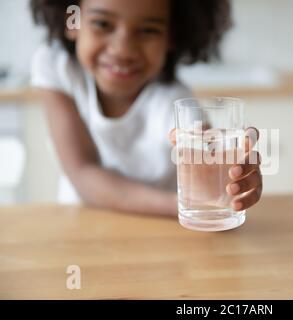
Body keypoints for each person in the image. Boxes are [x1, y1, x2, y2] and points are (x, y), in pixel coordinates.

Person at [30, 0, 263, 217]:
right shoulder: (56, 67)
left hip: (161, 238)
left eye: (148, 30)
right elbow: (83, 172)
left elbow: (213, 183)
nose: (123, 50)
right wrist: (182, 205)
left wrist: (227, 184)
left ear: (172, 35)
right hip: (81, 226)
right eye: (102, 24)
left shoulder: (176, 105)